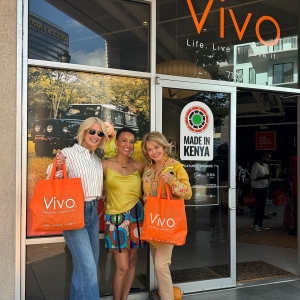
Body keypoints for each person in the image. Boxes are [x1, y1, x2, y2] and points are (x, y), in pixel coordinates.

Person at [49, 117, 109, 300]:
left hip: (92, 213)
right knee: (88, 268)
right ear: (83, 132)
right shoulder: (68, 153)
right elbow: (51, 176)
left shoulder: (97, 160)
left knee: (85, 268)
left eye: (100, 133)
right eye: (92, 131)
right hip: (75, 212)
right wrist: (58, 166)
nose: (96, 136)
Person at [141, 131, 192, 300]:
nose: (153, 151)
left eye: (156, 147)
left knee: (161, 265)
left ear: (164, 146)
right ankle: (166, 295)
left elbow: (188, 193)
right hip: (153, 221)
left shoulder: (175, 166)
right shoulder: (148, 168)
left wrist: (171, 181)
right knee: (159, 266)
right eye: (149, 149)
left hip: (167, 221)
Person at [102, 127, 145, 300]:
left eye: (132, 141)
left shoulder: (138, 166)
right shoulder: (105, 165)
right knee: (122, 267)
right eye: (124, 140)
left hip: (136, 217)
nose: (128, 145)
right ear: (117, 142)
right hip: (115, 219)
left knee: (132, 263)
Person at [250, 152, 271, 231]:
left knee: (262, 206)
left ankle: (260, 223)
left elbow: (267, 175)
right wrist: (264, 177)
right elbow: (252, 177)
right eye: (267, 158)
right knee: (259, 206)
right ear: (262, 157)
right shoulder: (256, 165)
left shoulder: (266, 166)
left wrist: (268, 176)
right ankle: (255, 224)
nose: (269, 160)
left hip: (264, 187)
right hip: (257, 188)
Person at [286, 155, 297, 236]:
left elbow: (290, 173)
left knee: (296, 208)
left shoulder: (293, 159)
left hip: (296, 185)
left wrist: (286, 184)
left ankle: (296, 228)